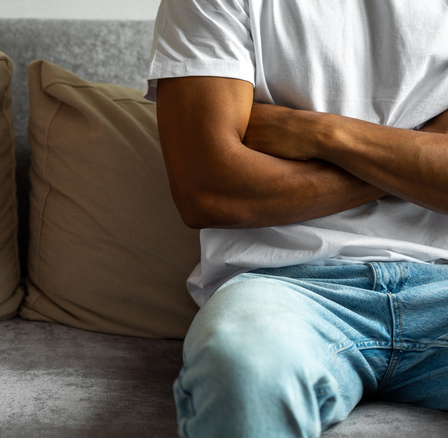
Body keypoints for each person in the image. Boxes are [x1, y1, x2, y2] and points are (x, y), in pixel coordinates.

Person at [147, 0, 448, 436]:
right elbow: (207, 191)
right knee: (242, 370)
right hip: (282, 288)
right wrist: (417, 156)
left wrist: (320, 133)